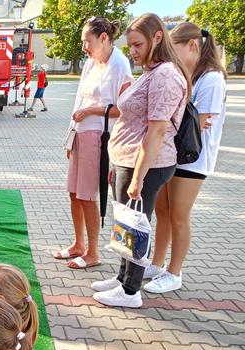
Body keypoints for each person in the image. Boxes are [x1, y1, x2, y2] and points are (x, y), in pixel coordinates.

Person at [92, 13, 191, 308]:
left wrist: (137, 176)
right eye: (130, 46)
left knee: (136, 225)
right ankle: (123, 278)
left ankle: (131, 291)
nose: (132, 51)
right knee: (126, 223)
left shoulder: (165, 75)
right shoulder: (153, 71)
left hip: (145, 163)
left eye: (137, 45)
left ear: (157, 38)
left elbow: (158, 128)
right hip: (127, 159)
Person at [144, 23, 227, 294]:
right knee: (163, 211)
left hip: (193, 159)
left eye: (174, 51)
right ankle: (157, 264)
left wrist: (172, 121)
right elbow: (182, 119)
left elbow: (197, 123)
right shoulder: (190, 75)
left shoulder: (212, 78)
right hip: (173, 154)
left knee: (179, 215)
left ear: (192, 45)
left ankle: (174, 272)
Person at [55, 17, 134, 270]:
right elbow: (79, 100)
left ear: (103, 38)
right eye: (82, 42)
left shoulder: (119, 63)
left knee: (87, 194)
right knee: (74, 193)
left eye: (87, 41)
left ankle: (93, 252)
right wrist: (70, 134)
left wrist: (93, 111)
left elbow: (125, 108)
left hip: (98, 137)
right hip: (80, 133)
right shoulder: (91, 63)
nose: (84, 47)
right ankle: (78, 244)